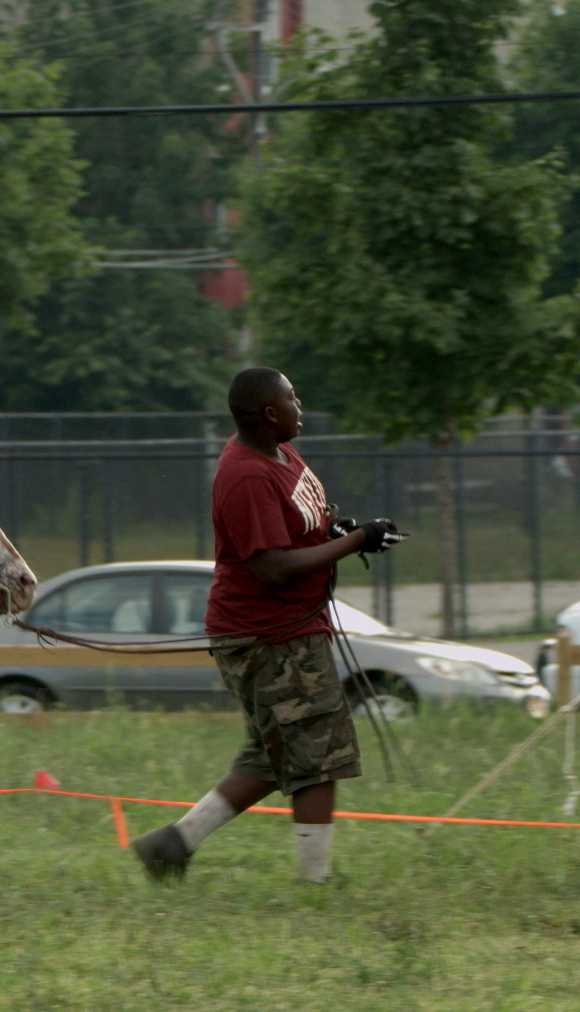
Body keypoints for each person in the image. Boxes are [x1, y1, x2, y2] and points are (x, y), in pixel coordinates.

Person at [133, 367, 396, 884]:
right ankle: (314, 883)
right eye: (292, 398)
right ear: (270, 413)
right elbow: (271, 568)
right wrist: (357, 540)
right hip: (268, 636)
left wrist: (336, 530)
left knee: (275, 751)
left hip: (291, 628)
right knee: (318, 752)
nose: (300, 405)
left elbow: (298, 528)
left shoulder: (281, 452)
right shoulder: (246, 475)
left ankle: (173, 844)